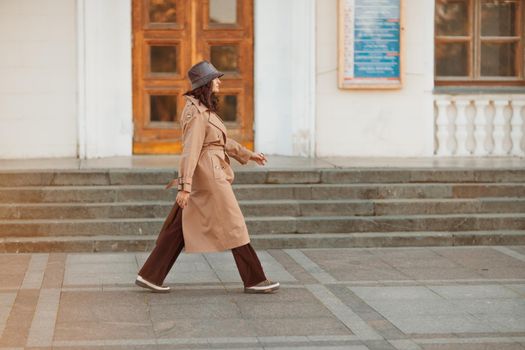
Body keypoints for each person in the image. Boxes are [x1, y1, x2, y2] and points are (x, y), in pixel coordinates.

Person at [135, 60, 280, 294]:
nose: (220, 82)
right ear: (206, 83)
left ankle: (150, 275)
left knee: (180, 227)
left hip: (210, 172)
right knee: (235, 224)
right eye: (216, 78)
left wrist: (249, 155)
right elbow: (191, 150)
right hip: (209, 177)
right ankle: (254, 279)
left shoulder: (204, 110)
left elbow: (220, 142)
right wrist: (184, 186)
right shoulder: (196, 112)